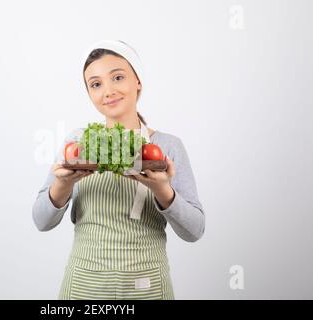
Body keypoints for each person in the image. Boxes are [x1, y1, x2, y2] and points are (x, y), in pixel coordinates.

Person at [32, 40, 205, 300]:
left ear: (138, 81)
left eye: (118, 77)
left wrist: (162, 190)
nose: (108, 90)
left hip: (146, 286)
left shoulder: (165, 146)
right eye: (96, 84)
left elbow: (194, 231)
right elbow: (41, 222)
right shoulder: (78, 145)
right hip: (84, 287)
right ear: (89, 93)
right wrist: (62, 186)